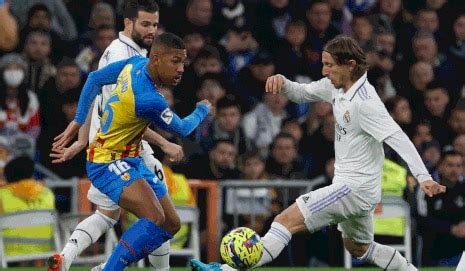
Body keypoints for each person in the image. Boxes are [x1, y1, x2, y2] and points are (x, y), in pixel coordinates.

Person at [191, 36, 446, 271]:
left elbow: (398, 137)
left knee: (284, 220)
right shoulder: (337, 87)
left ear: (349, 65)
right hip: (357, 189)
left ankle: (225, 269)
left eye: (329, 65)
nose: (324, 71)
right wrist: (283, 83)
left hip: (353, 189)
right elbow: (303, 93)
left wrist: (423, 177)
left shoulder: (366, 103)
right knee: (359, 247)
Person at [52, 32, 210, 271]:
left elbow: (94, 78)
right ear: (156, 59)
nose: (181, 69)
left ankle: (108, 263)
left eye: (183, 62)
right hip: (107, 162)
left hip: (132, 158)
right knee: (151, 217)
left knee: (171, 224)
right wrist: (202, 110)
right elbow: (183, 128)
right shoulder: (150, 99)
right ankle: (110, 268)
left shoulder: (134, 64)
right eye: (175, 61)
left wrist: (78, 121)